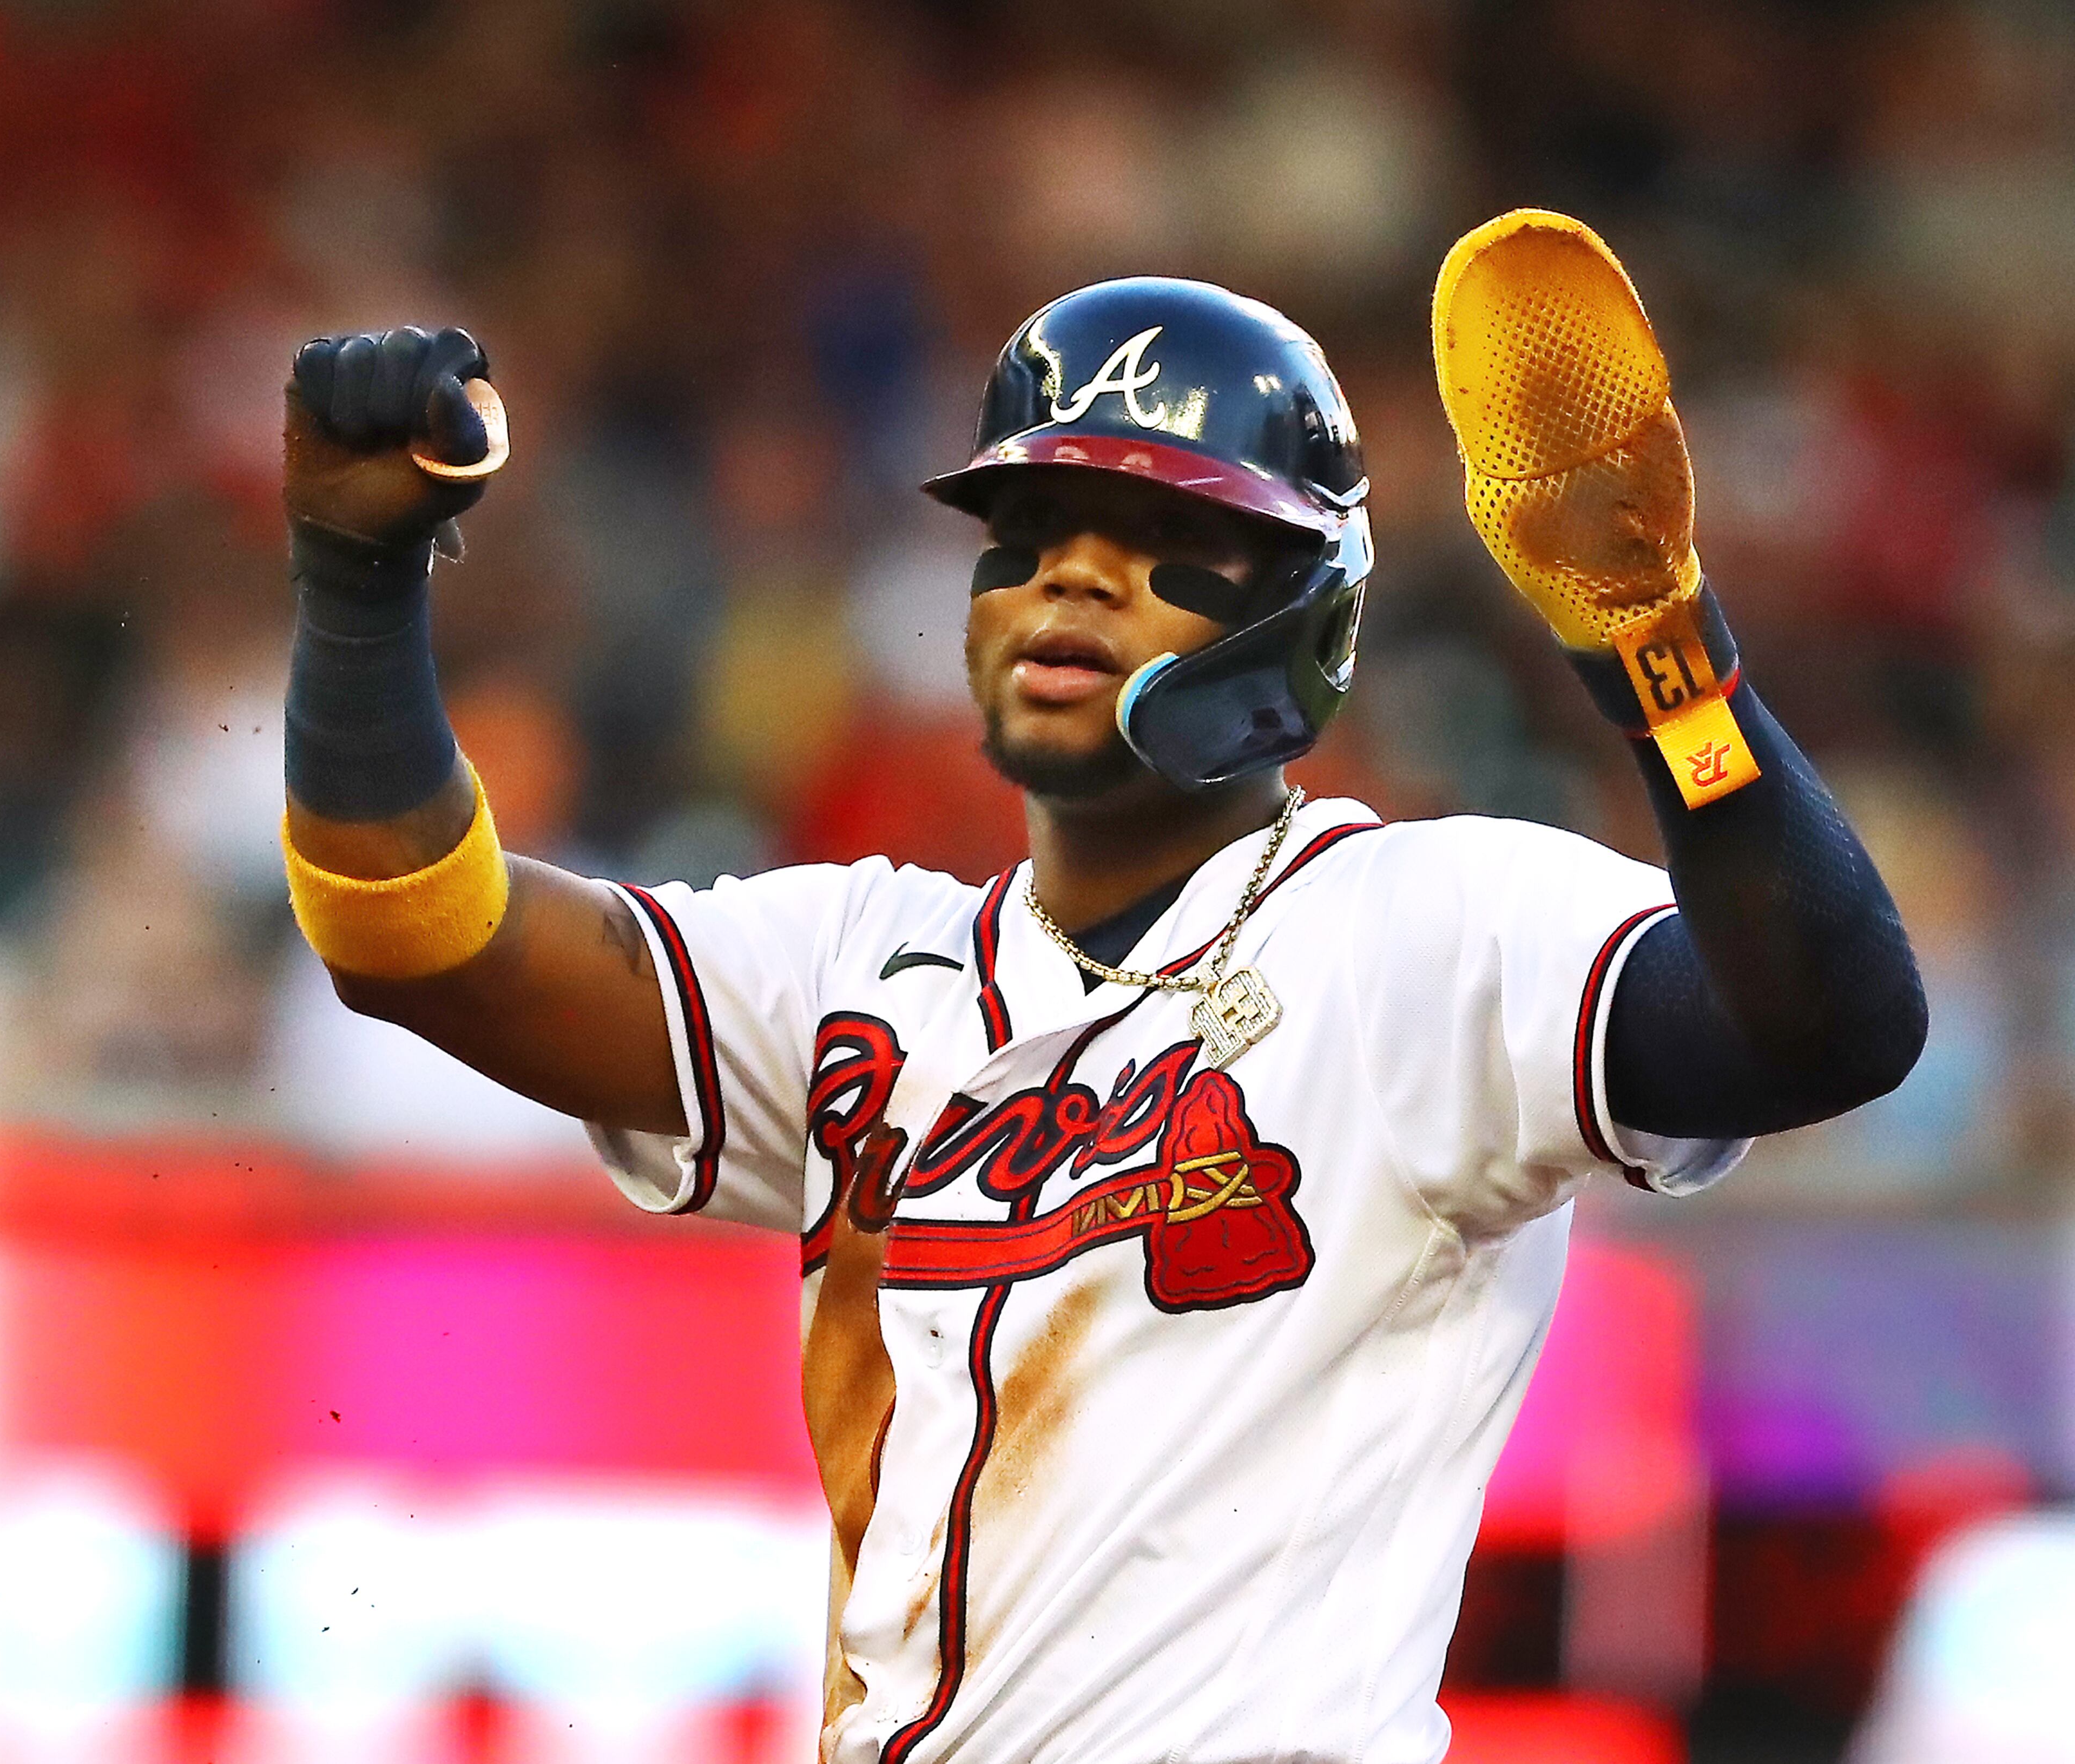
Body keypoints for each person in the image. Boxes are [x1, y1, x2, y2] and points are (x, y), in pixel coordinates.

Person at [276, 213, 1926, 1763]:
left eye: (1161, 537)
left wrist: (1664, 659)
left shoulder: (1427, 932)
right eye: (1033, 532)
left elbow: (1832, 1025)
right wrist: (358, 596)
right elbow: (424, 942)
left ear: (1308, 622)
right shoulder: (856, 962)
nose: (1071, 575)